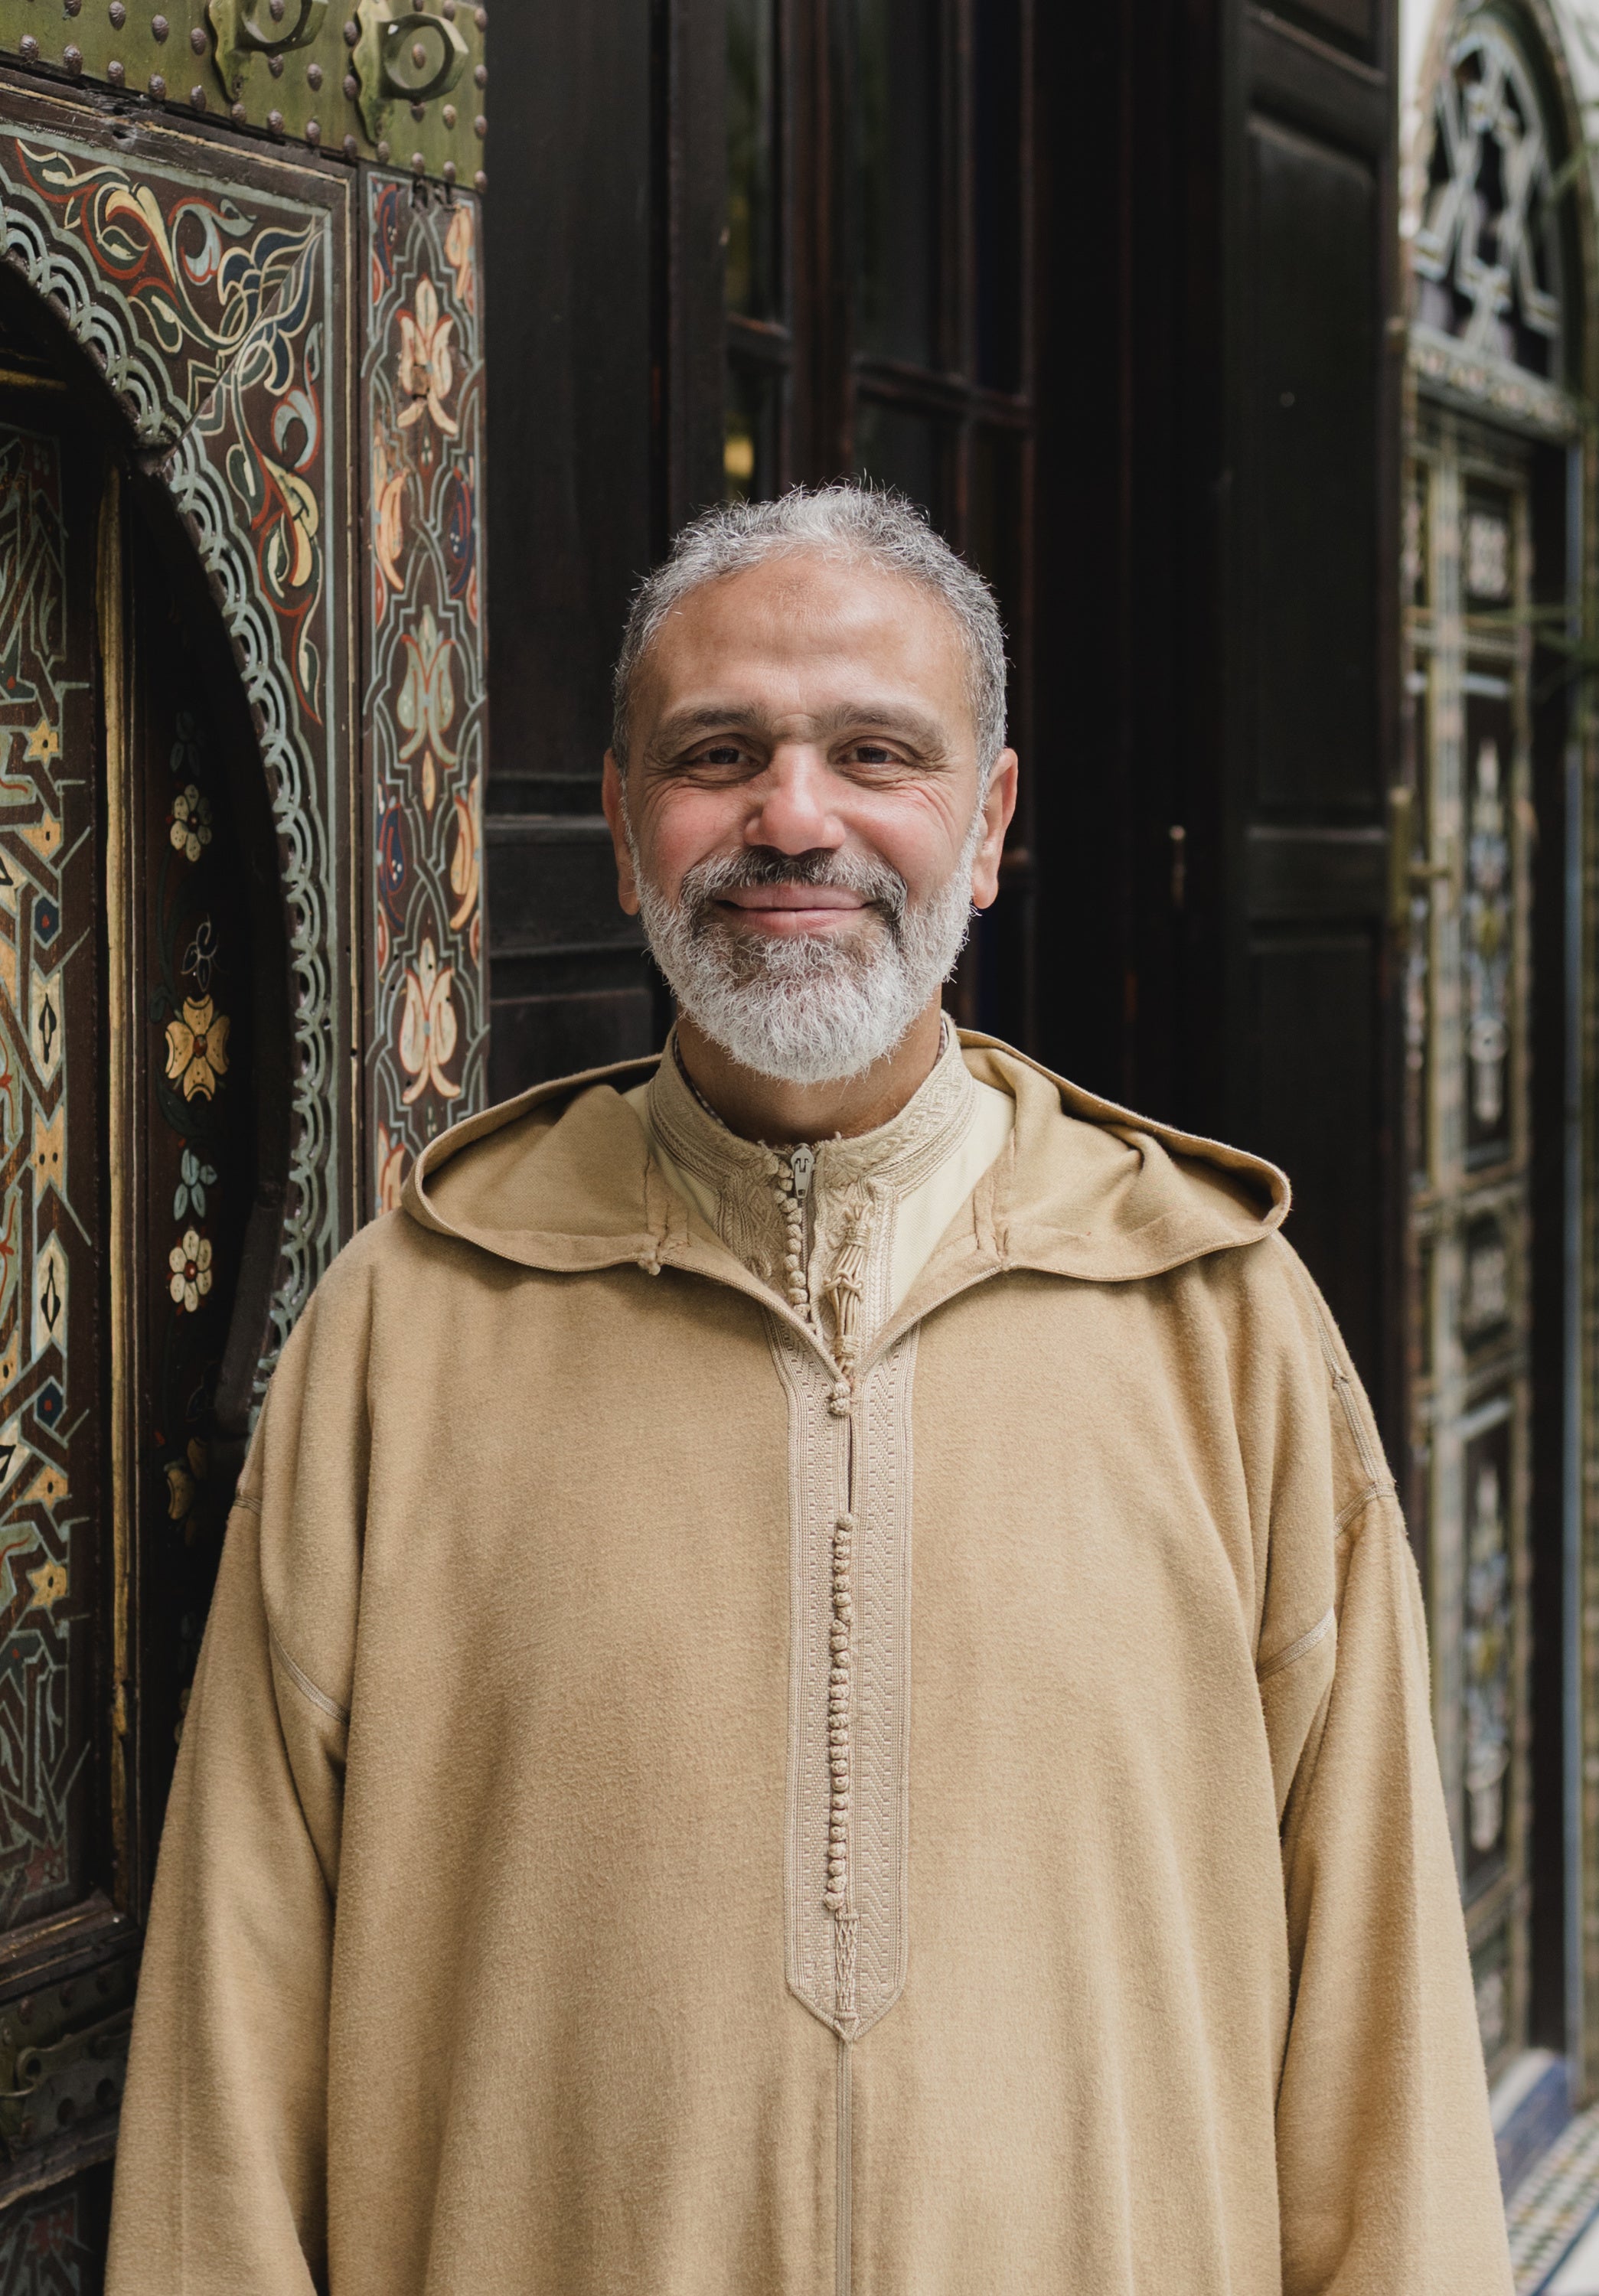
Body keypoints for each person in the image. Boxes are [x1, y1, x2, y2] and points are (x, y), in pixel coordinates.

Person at [107, 484, 1512, 2294]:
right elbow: (236, 1999)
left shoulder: (1219, 1324)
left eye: (875, 753)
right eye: (718, 755)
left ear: (986, 823)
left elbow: (1381, 2024)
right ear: (622, 829)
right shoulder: (415, 1327)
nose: (793, 817)